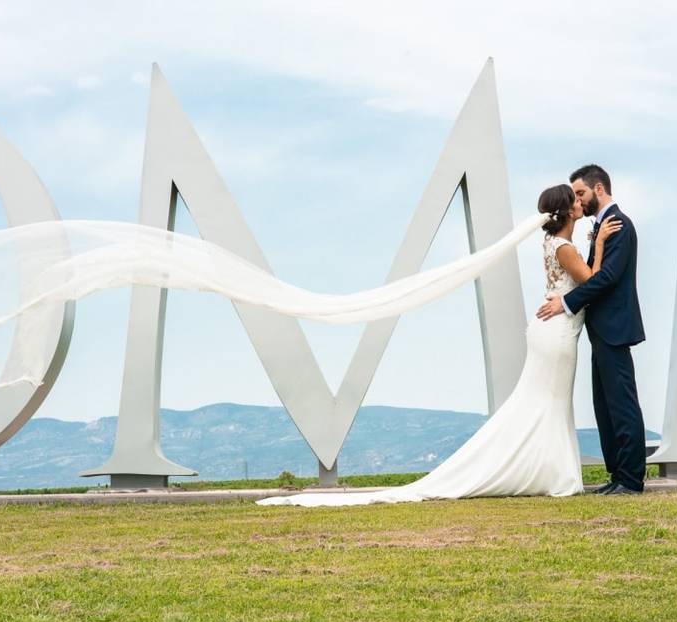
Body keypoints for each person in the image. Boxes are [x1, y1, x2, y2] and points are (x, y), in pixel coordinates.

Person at [257, 184, 622, 507]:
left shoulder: (554, 243)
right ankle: (555, 474)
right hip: (556, 332)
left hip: (553, 328)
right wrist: (601, 242)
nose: (579, 202)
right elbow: (594, 280)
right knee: (550, 402)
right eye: (574, 199)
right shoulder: (566, 248)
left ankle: (552, 471)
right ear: (567, 210)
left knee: (546, 402)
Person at [537, 165, 646, 495]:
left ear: (599, 190)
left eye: (581, 193)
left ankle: (630, 479)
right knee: (605, 406)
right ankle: (617, 474)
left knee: (622, 404)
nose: (578, 202)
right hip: (601, 329)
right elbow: (592, 275)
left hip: (614, 328)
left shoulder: (619, 225)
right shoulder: (600, 228)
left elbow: (606, 278)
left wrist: (566, 303)